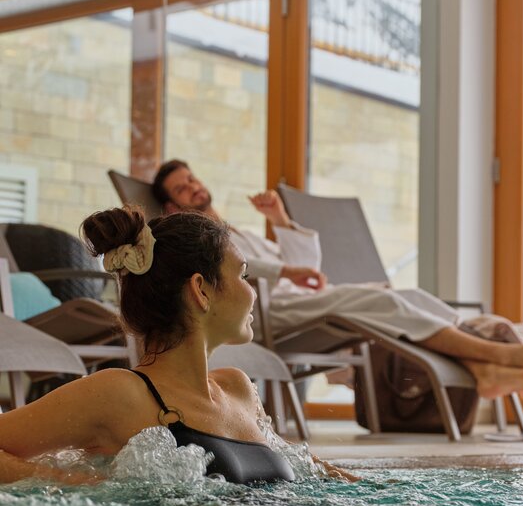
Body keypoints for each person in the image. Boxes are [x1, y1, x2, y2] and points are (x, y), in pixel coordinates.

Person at [0, 206, 353, 485]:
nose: (252, 292)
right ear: (201, 289)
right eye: (243, 275)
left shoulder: (237, 388)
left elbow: (312, 472)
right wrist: (73, 483)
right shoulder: (121, 393)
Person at [152, 160, 523, 399]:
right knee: (386, 304)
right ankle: (497, 355)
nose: (193, 187)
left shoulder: (238, 232)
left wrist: (280, 221)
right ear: (171, 206)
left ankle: (482, 366)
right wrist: (286, 271)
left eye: (193, 179)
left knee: (406, 294)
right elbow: (233, 273)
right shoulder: (196, 241)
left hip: (296, 297)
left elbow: (305, 261)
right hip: (271, 311)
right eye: (182, 188)